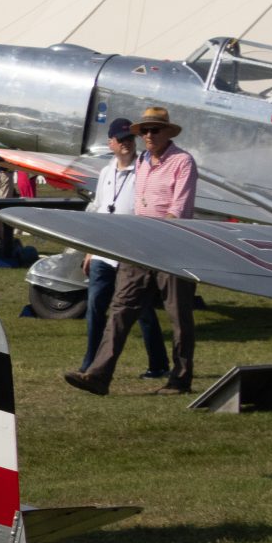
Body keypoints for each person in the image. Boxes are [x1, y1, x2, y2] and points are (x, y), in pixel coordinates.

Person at [65, 105, 197, 396]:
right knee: (120, 309)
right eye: (145, 131)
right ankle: (98, 376)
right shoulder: (143, 162)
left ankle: (180, 378)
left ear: (167, 132)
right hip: (138, 247)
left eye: (154, 130)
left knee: (178, 316)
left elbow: (180, 208)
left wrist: (155, 232)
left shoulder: (182, 162)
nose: (148, 135)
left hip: (171, 247)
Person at [75, 118, 171, 380]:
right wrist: (89, 250)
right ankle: (90, 362)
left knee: (141, 310)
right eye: (122, 139)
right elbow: (98, 209)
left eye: (130, 139)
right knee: (95, 306)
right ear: (111, 143)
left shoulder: (144, 169)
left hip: (132, 250)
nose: (127, 144)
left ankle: (158, 363)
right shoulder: (106, 173)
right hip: (104, 251)